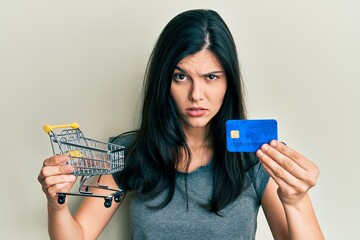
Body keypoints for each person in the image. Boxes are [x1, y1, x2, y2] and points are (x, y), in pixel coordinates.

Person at [38, 9, 324, 239]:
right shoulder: (128, 152)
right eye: (181, 77)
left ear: (229, 83)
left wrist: (297, 202)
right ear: (164, 80)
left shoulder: (258, 156)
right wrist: (56, 204)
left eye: (211, 77)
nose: (196, 95)